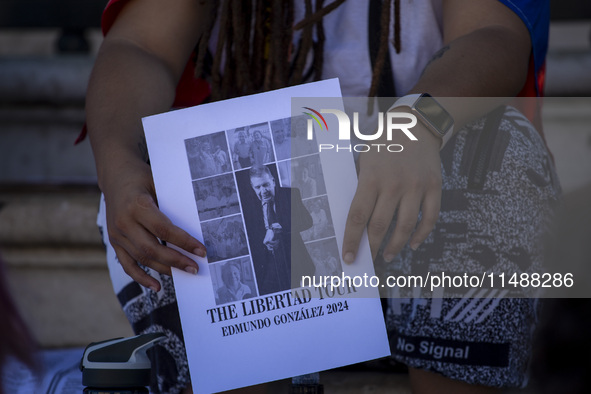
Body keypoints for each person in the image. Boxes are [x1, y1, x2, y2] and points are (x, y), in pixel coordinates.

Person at [85, 1, 559, 393]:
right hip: (267, 262)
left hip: (415, 222)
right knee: (152, 177)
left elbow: (494, 35)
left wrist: (418, 122)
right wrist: (115, 161)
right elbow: (140, 43)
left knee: (501, 148)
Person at [240, 165, 315, 296]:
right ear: (253, 188)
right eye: (258, 187)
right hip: (269, 268)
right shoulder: (248, 208)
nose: (263, 191)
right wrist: (265, 244)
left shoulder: (290, 194)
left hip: (296, 263)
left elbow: (307, 221)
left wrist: (281, 228)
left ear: (273, 181)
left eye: (266, 185)